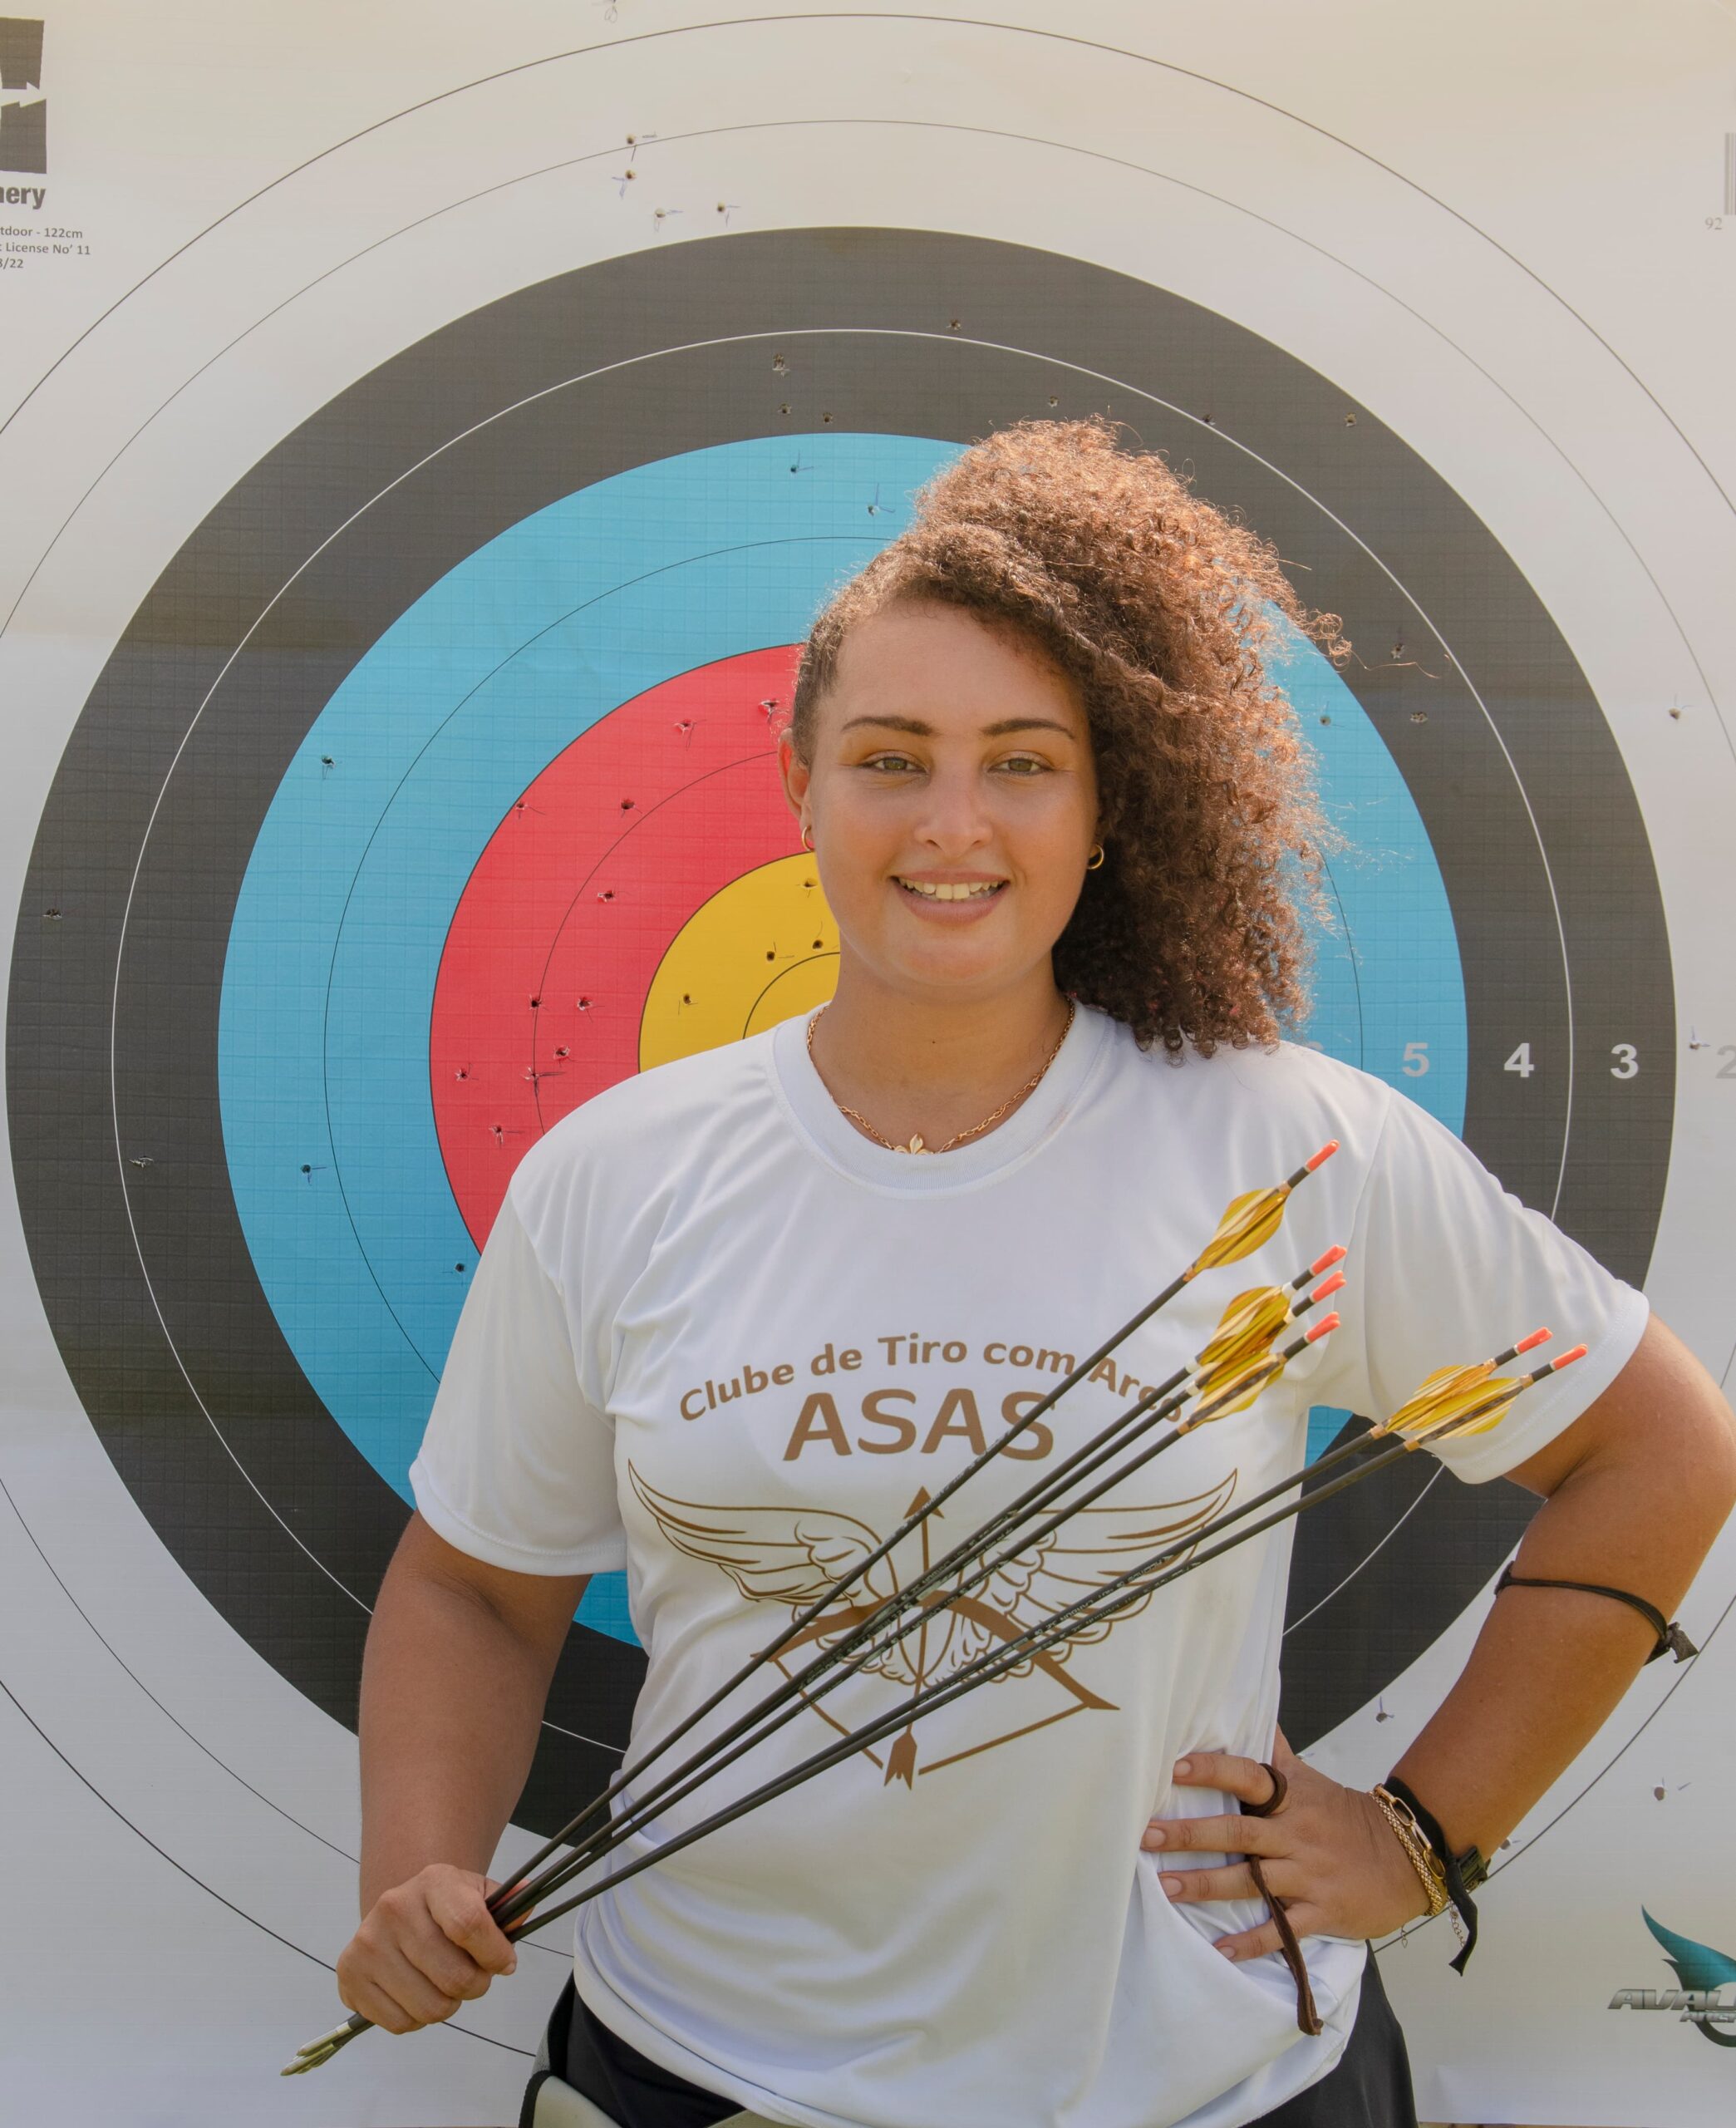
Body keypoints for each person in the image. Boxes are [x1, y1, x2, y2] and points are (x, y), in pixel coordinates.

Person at [336, 418, 1736, 2128]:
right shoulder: (617, 1177)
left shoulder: (1285, 1148)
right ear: (798, 782)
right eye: (889, 756)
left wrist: (1424, 1835)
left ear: (1103, 802)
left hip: (1209, 2087)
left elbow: (1657, 1448)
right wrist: (418, 1862)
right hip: (704, 2074)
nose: (951, 821)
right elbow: (477, 1587)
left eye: (1020, 760)